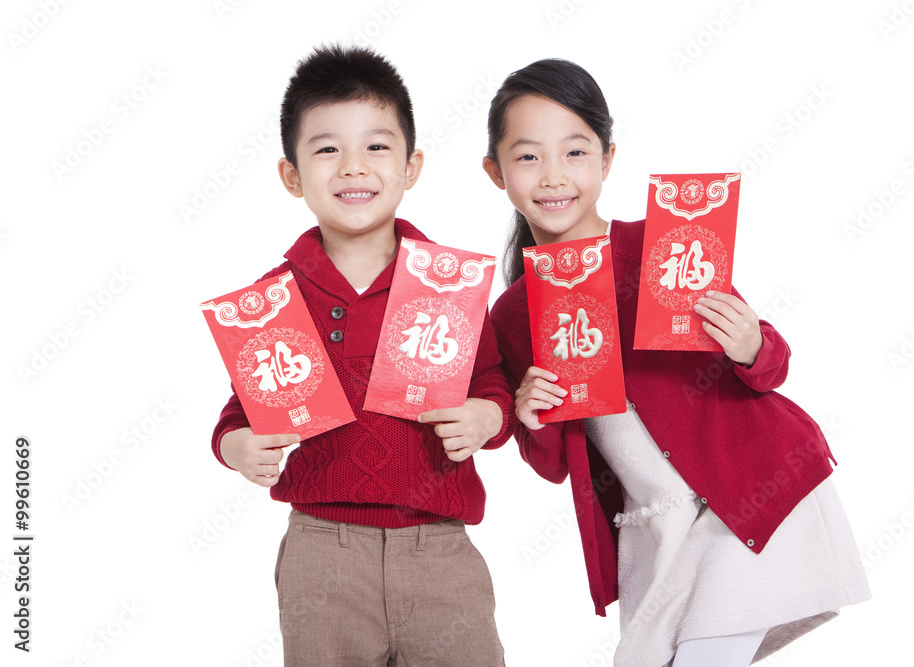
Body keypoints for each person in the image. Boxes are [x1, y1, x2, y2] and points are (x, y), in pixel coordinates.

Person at [483, 58, 870, 667]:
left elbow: (769, 362)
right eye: (528, 156)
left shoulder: (663, 244)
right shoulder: (511, 313)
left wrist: (749, 344)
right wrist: (530, 415)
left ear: (607, 161)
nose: (554, 176)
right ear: (495, 171)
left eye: (576, 152)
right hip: (657, 529)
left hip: (746, 490)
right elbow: (553, 464)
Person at [211, 44, 512, 666]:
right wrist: (235, 447)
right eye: (327, 149)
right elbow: (240, 411)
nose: (353, 167)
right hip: (323, 554)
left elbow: (492, 383)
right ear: (292, 175)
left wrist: (488, 417)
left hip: (439, 549)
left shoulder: (447, 285)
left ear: (411, 166)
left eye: (376, 146)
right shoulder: (273, 300)